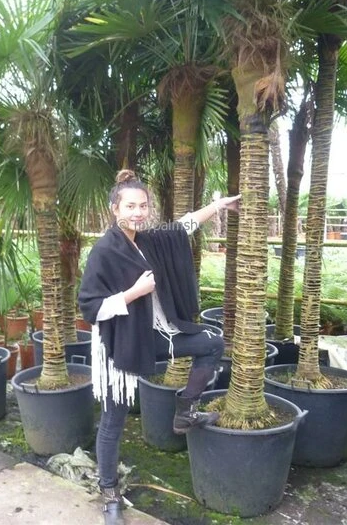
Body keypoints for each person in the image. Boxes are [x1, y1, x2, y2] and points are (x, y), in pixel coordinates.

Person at [78, 170, 240, 525]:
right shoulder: (104, 251)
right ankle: (109, 492)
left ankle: (186, 410)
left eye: (143, 205)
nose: (137, 212)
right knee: (113, 421)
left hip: (156, 336)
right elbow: (90, 308)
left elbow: (183, 226)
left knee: (212, 344)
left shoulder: (148, 240)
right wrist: (133, 293)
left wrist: (217, 206)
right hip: (121, 344)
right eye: (130, 206)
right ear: (114, 208)